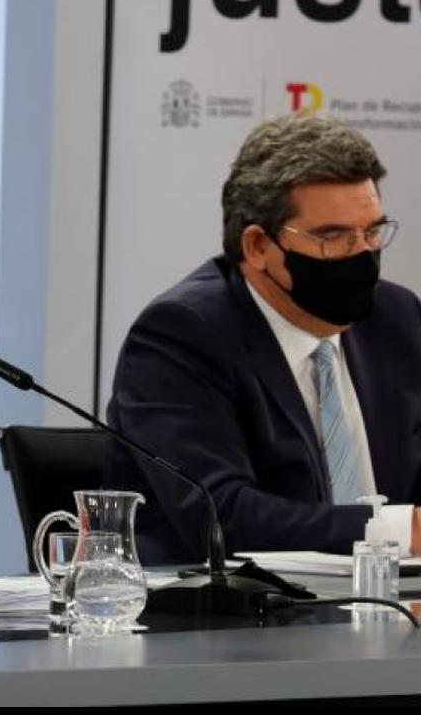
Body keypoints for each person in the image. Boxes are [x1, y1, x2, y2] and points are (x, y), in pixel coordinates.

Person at [104, 114, 421, 565]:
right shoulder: (182, 335)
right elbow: (222, 516)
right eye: (332, 236)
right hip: (231, 605)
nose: (362, 254)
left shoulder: (396, 318)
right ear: (257, 246)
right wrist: (396, 531)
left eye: (371, 232)